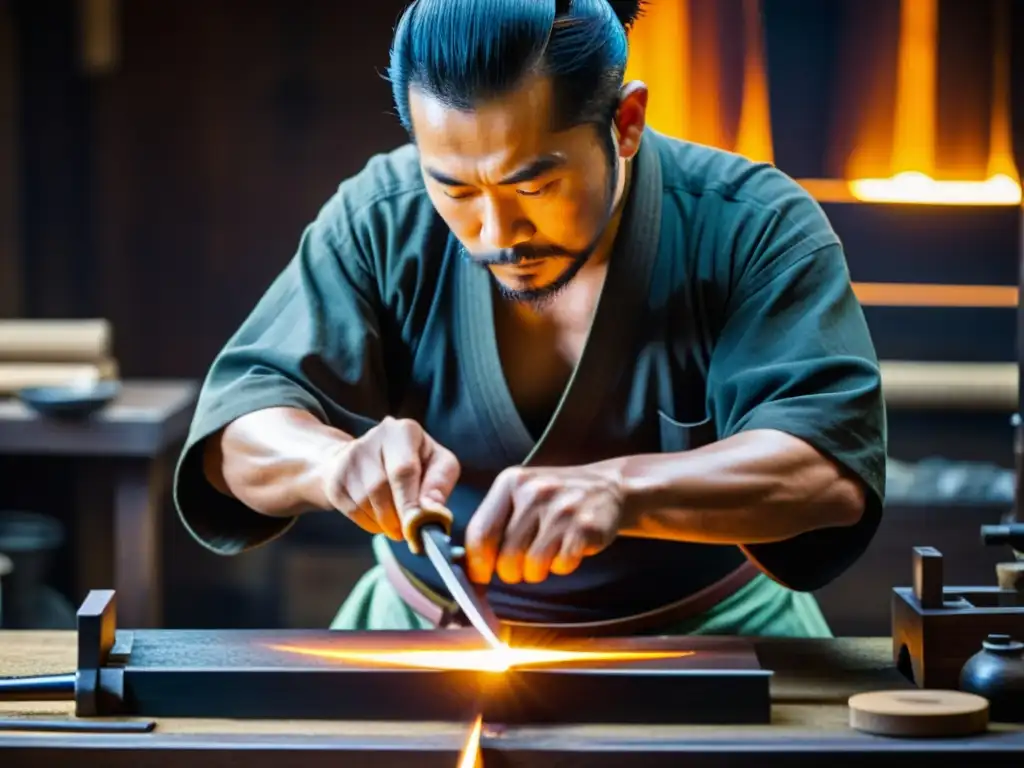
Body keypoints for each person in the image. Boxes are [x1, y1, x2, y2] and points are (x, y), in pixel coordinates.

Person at [173, 0, 886, 641]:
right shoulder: (381, 218)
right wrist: (333, 464)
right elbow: (235, 439)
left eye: (534, 184)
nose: (494, 232)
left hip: (713, 636)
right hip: (422, 634)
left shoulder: (752, 225)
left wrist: (623, 489)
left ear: (627, 122)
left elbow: (828, 469)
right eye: (453, 187)